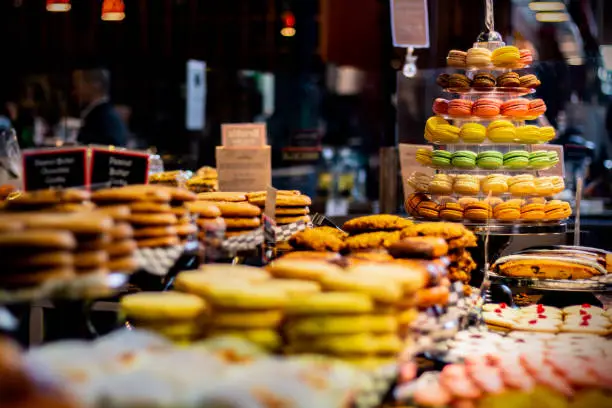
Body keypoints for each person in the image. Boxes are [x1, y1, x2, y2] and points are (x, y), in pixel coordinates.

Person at [73, 68, 127, 146]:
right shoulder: (101, 114)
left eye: (79, 83)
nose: (75, 90)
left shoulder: (105, 117)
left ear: (95, 84)